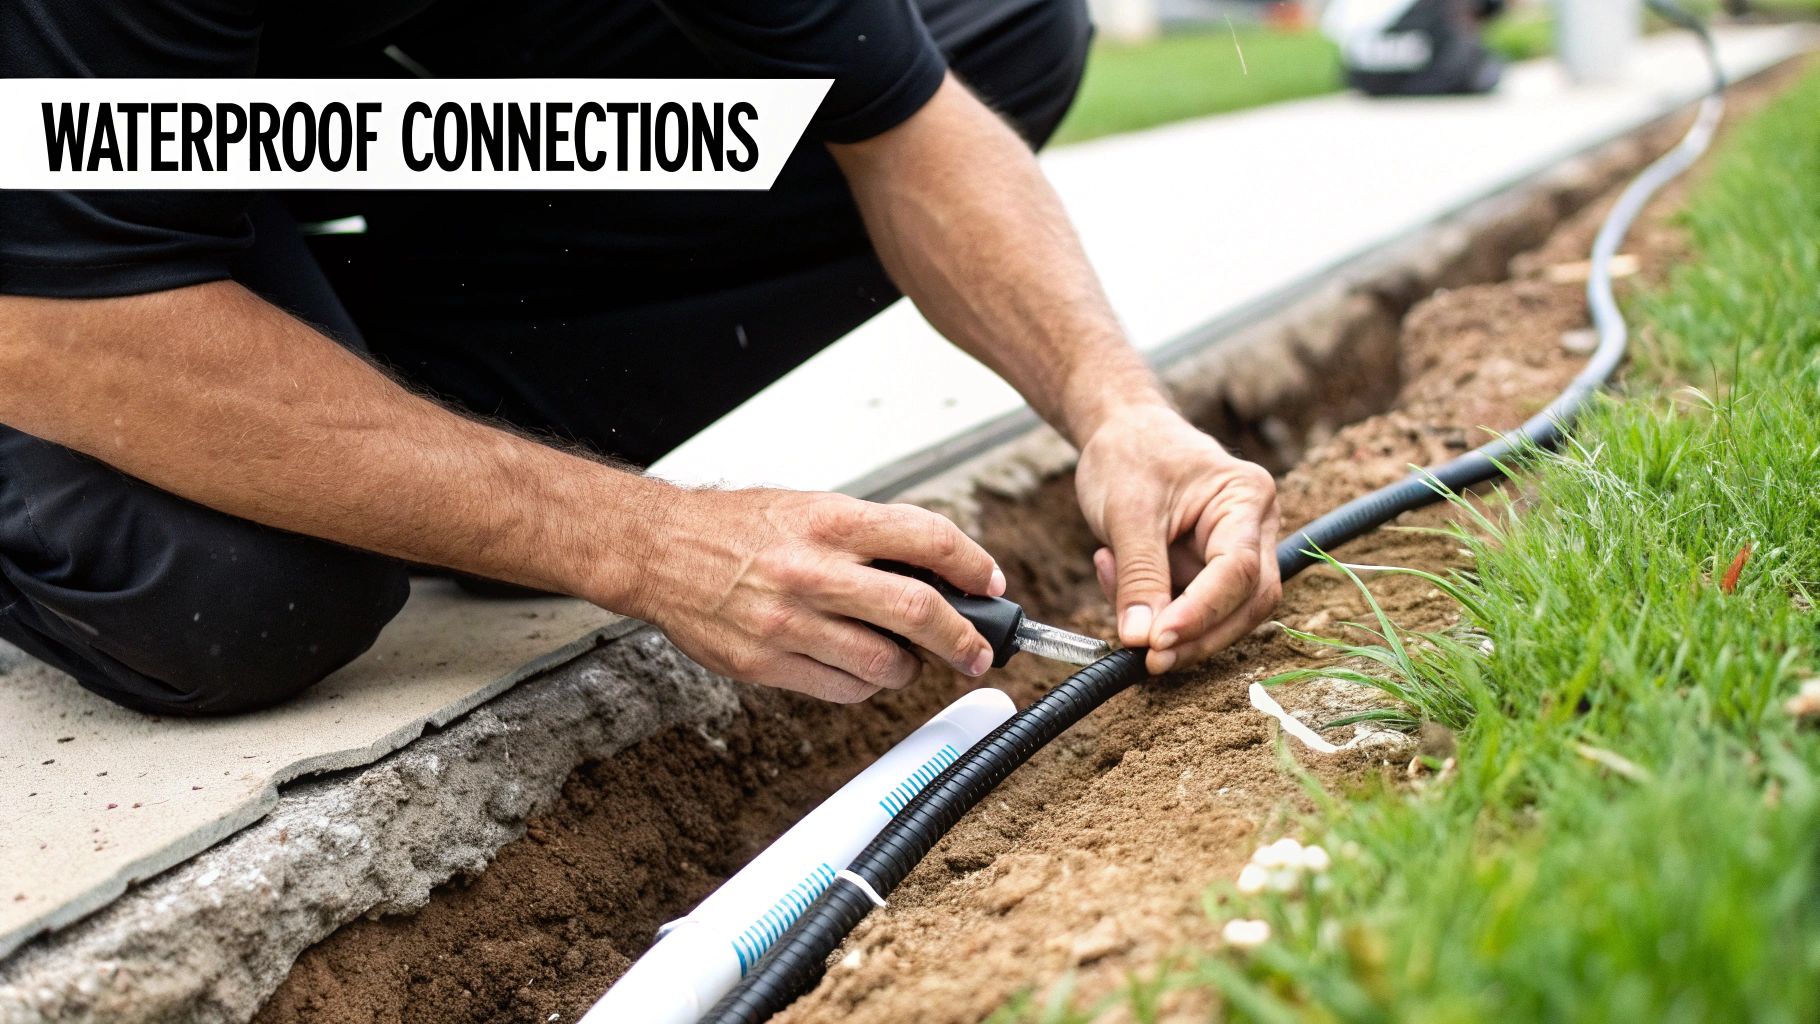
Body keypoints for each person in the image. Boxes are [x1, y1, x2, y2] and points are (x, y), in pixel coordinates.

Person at [0, 0, 1280, 716]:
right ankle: (286, 439)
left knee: (994, 35)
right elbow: (70, 318)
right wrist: (645, 540)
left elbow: (902, 129)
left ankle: (368, 420)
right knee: (240, 590)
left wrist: (1117, 408)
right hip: (56, 211)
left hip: (257, 116)